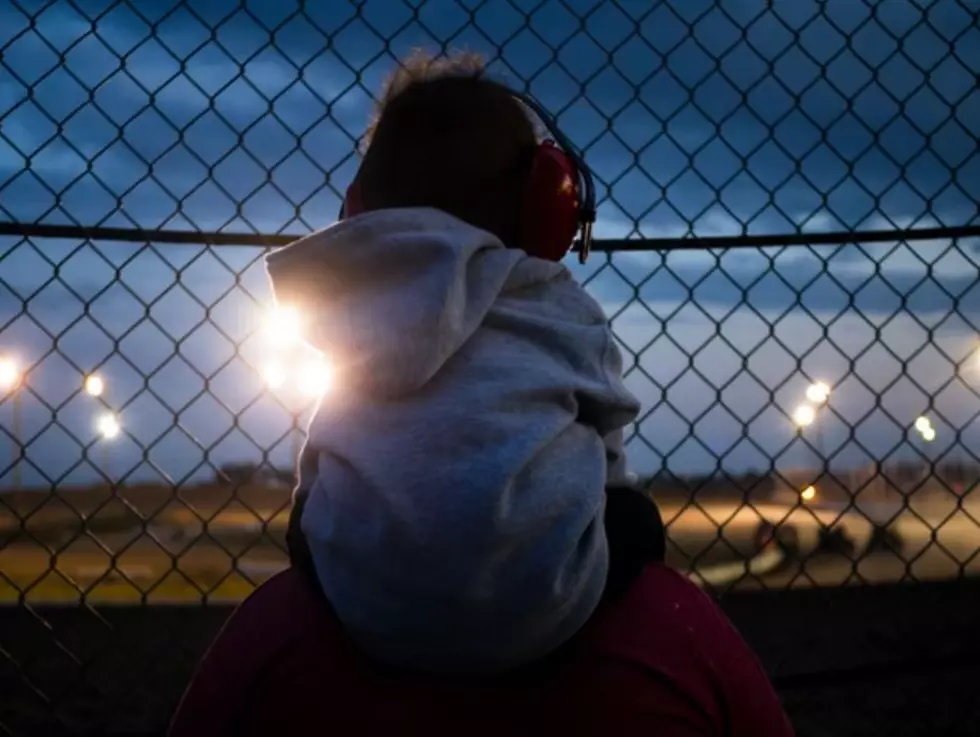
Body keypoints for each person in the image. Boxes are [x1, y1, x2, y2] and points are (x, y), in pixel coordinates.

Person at [262, 50, 660, 675]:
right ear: (547, 207)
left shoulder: (352, 309)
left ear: (359, 208)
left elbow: (320, 457)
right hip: (547, 605)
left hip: (368, 613)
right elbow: (606, 449)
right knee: (634, 515)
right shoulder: (557, 304)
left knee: (311, 512)